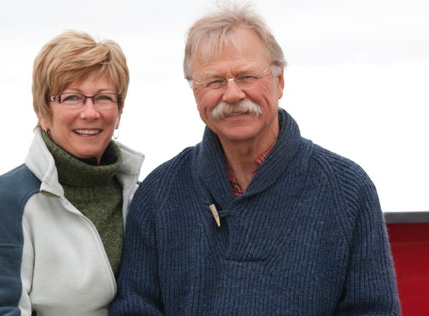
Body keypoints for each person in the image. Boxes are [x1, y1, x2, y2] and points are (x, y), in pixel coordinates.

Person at [109, 4, 400, 315]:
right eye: (215, 81)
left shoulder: (348, 191)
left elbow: (374, 310)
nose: (233, 94)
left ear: (280, 82)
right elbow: (135, 309)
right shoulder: (159, 194)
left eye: (246, 76)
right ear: (195, 92)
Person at [0, 30, 144, 316]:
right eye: (71, 98)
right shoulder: (8, 200)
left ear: (119, 110)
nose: (90, 112)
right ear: (43, 111)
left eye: (103, 98)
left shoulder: (141, 198)